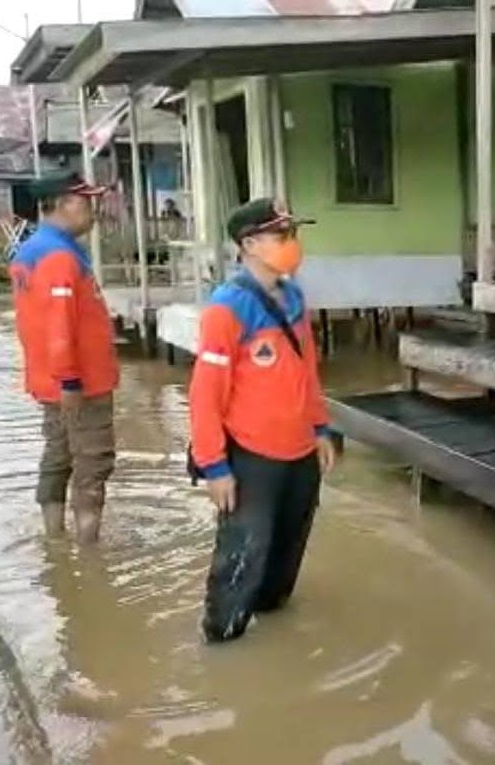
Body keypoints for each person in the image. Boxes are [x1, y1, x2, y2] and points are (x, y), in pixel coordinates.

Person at [189, 197, 337, 644]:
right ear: (250, 244)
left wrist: (320, 427)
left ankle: (273, 625)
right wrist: (214, 466)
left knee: (287, 549)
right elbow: (205, 394)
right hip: (252, 456)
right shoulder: (227, 309)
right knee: (242, 556)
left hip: (299, 452)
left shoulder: (292, 296)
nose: (294, 244)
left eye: (293, 233)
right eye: (283, 235)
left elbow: (306, 369)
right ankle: (223, 640)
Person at [9, 171, 117, 544]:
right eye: (86, 203)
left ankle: (54, 540)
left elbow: (29, 324)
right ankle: (89, 553)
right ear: (65, 203)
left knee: (58, 453)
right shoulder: (59, 258)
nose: (93, 212)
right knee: (92, 461)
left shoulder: (31, 250)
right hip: (80, 383)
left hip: (49, 381)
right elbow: (59, 326)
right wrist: (70, 379)